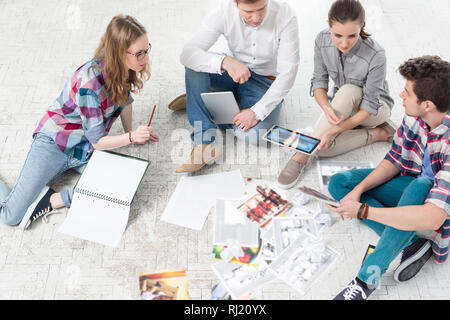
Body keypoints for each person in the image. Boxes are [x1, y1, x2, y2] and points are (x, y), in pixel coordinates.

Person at [0, 15, 159, 229]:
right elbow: (98, 142)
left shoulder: (124, 70)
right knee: (10, 216)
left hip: (84, 150)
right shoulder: (90, 83)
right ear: (119, 53)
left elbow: (125, 102)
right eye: (139, 53)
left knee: (126, 188)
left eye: (146, 50)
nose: (145, 58)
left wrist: (133, 133)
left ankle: (53, 200)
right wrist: (130, 137)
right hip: (54, 144)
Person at [327, 55, 450, 300]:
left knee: (420, 184)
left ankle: (365, 280)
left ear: (427, 104)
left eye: (406, 92)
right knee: (340, 183)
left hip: (436, 206)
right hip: (410, 185)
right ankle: (410, 241)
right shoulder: (415, 116)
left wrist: (363, 211)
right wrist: (358, 191)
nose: (400, 96)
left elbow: (433, 214)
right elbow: (395, 159)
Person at [170, 0, 300, 173]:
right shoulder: (222, 12)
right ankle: (205, 142)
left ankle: (201, 101)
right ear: (235, 3)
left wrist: (256, 112)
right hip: (234, 72)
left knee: (256, 134)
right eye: (248, 12)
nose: (256, 18)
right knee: (194, 67)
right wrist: (225, 62)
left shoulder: (286, 15)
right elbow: (188, 54)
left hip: (265, 83)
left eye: (261, 9)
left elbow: (288, 74)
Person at [277, 0, 396, 189]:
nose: (344, 43)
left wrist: (332, 130)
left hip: (375, 109)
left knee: (346, 92)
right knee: (322, 148)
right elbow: (319, 82)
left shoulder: (376, 54)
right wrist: (326, 107)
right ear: (328, 25)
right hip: (344, 103)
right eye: (337, 35)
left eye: (352, 35)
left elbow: (368, 108)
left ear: (362, 27)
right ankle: (379, 134)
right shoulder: (322, 40)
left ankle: (301, 155)